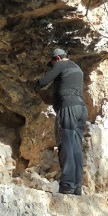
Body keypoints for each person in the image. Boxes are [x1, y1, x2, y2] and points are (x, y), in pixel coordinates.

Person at [34, 48, 88, 195]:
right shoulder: (77, 68)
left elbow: (43, 81)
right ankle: (77, 186)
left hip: (68, 109)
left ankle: (68, 185)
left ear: (56, 58)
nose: (52, 66)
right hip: (81, 109)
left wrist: (34, 86)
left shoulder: (61, 65)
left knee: (66, 144)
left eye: (52, 63)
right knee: (76, 147)